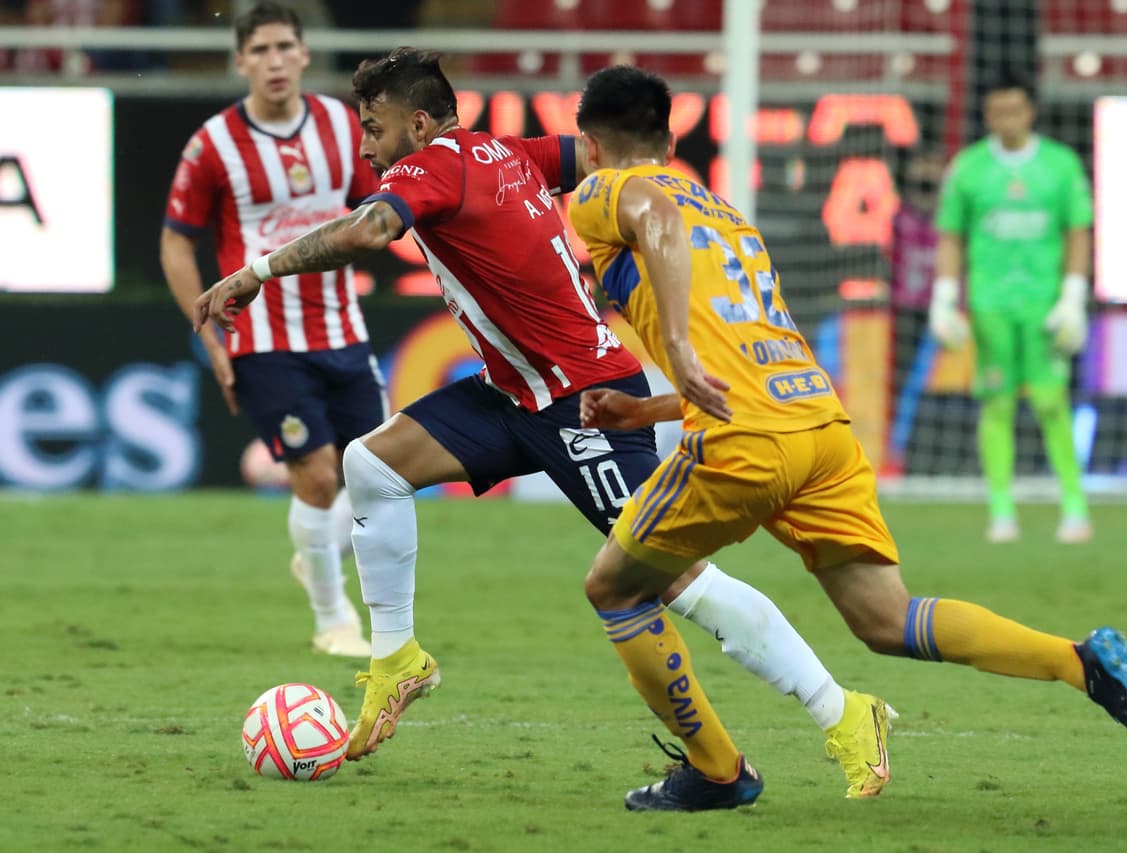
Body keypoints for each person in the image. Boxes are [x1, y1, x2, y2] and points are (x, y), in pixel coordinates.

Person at [192, 47, 890, 798]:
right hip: (514, 394)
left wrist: (253, 272)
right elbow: (605, 160)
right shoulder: (508, 151)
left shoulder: (430, 165)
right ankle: (398, 660)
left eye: (374, 127)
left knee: (676, 579)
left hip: (582, 400)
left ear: (418, 123)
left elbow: (368, 233)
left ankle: (844, 710)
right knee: (372, 464)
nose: (366, 145)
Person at [567, 64, 1127, 812]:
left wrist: (682, 355)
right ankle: (1084, 665)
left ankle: (717, 772)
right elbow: (746, 353)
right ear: (669, 134)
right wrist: (649, 410)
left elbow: (652, 212)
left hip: (745, 443)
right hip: (818, 428)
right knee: (889, 619)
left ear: (590, 145)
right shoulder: (726, 215)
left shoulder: (607, 190)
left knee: (615, 587)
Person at [161, 2, 380, 658]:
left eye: (285, 46)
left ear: (306, 54)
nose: (275, 61)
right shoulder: (212, 145)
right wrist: (208, 334)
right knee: (315, 476)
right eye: (259, 50)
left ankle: (317, 551)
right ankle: (332, 615)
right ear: (240, 61)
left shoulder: (344, 128)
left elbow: (384, 211)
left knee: (381, 472)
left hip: (343, 326)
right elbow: (176, 244)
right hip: (262, 338)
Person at [929, 70, 1094, 544]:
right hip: (990, 304)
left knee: (1050, 402)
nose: (1007, 119)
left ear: (1030, 112)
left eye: (1014, 110)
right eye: (997, 111)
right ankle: (1001, 509)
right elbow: (952, 236)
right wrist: (944, 299)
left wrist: (1074, 296)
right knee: (996, 403)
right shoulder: (970, 168)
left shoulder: (1060, 166)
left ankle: (1075, 505)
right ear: (987, 115)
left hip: (1043, 304)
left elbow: (1077, 231)